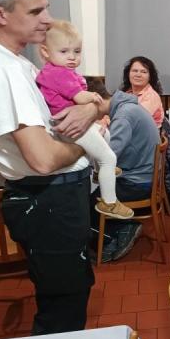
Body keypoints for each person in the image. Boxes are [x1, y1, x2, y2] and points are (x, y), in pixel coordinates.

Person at [0, 0, 101, 335]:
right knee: (62, 311)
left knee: (63, 296)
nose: (47, 19)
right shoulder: (2, 69)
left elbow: (69, 112)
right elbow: (44, 158)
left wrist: (90, 110)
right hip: (49, 198)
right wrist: (85, 145)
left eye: (46, 7)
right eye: (35, 11)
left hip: (44, 199)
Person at [36, 21, 133, 220]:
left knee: (105, 133)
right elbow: (80, 97)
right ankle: (109, 203)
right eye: (64, 51)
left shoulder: (59, 71)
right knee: (109, 158)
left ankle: (99, 171)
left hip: (70, 122)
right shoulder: (58, 73)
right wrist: (93, 97)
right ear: (45, 52)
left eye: (77, 51)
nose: (72, 57)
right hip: (70, 125)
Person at [85, 80, 160, 262]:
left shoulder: (124, 116)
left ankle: (120, 230)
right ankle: (122, 226)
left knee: (85, 202)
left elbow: (110, 155)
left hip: (137, 183)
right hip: (145, 175)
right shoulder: (127, 107)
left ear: (95, 101)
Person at [120, 56, 163, 127]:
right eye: (135, 71)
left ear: (150, 76)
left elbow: (134, 118)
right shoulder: (127, 93)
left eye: (143, 72)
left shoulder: (151, 96)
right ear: (128, 74)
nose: (138, 75)